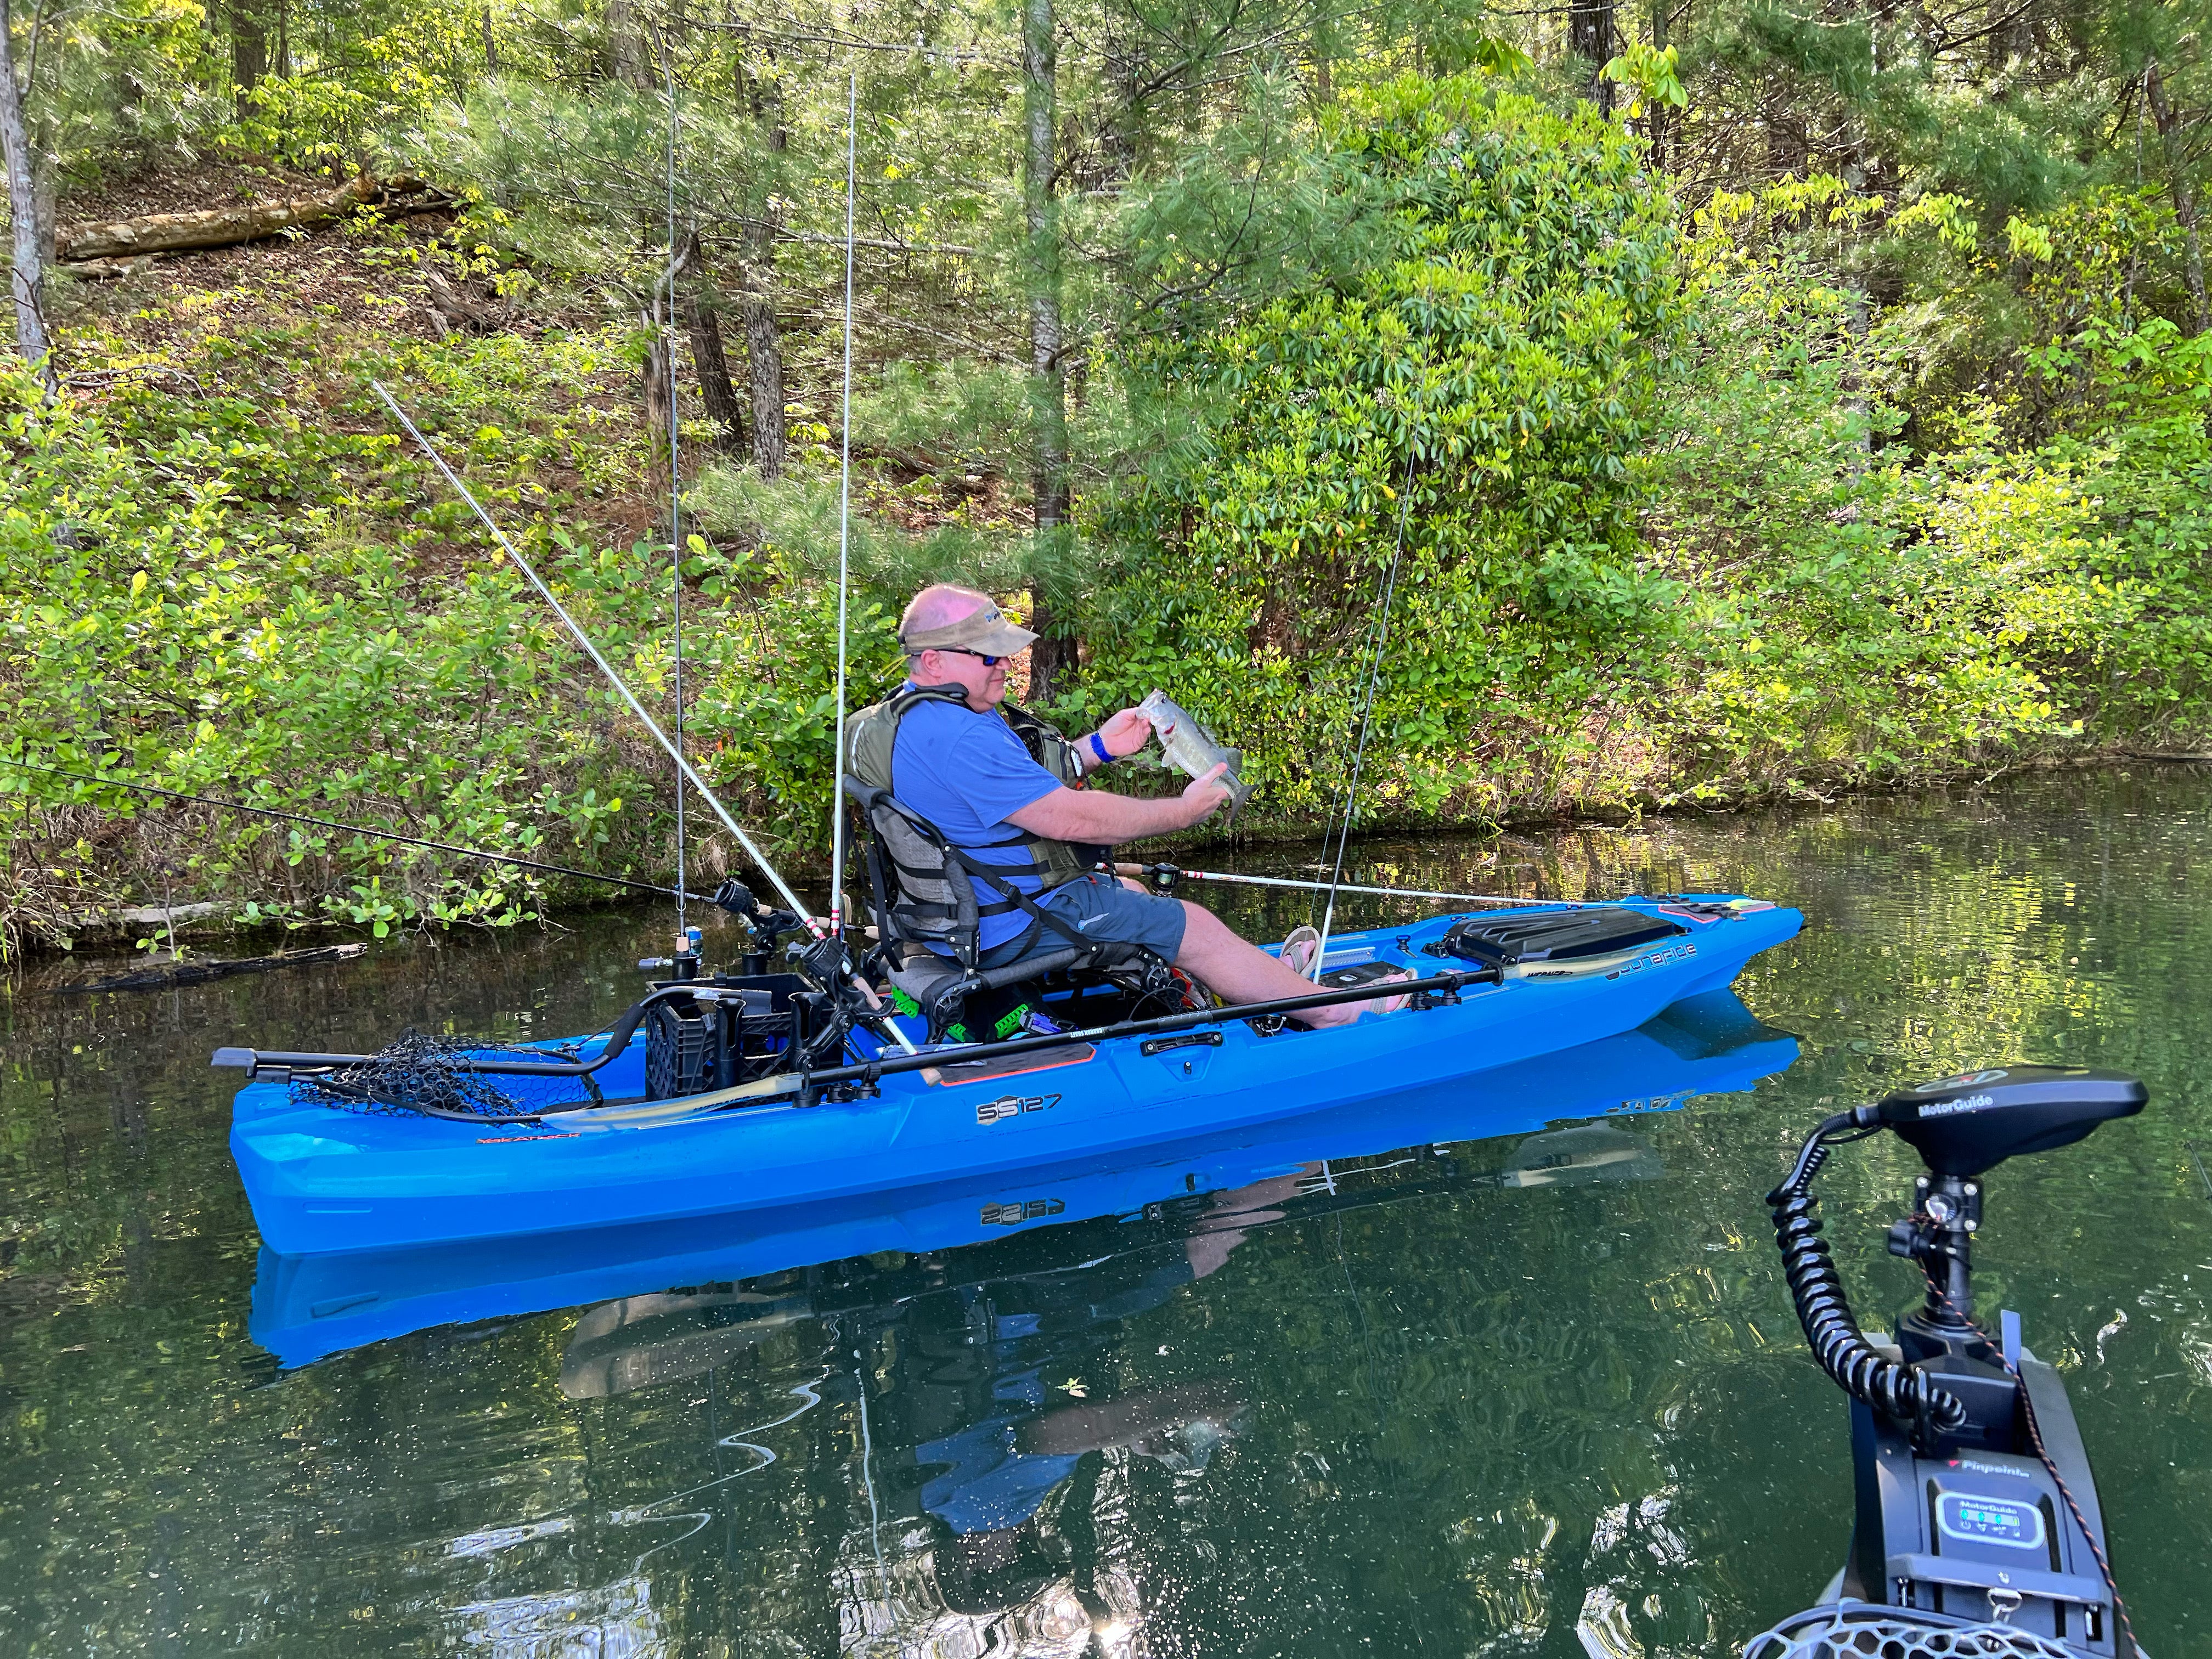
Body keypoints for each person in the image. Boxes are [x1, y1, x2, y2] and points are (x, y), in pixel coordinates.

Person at [848, 582, 1404, 1028]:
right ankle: (1332, 1011)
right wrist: (1183, 812)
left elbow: (1004, 784)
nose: (1004, 665)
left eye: (1004, 653)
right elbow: (1072, 818)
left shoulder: (901, 720)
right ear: (933, 661)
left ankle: (1253, 987)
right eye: (987, 655)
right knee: (1195, 925)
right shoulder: (960, 735)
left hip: (954, 919)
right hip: (1013, 923)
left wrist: (1099, 748)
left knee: (1133, 894)